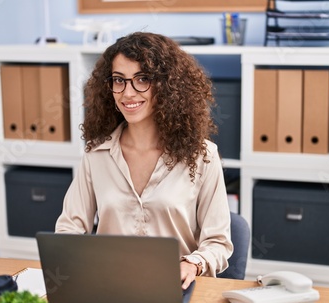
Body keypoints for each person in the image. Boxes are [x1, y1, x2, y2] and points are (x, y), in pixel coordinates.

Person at [55, 31, 233, 289]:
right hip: (110, 286)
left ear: (167, 85)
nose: (128, 93)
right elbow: (69, 229)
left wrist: (193, 263)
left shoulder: (203, 156)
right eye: (119, 80)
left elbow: (218, 242)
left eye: (142, 79)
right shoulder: (97, 154)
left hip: (175, 288)